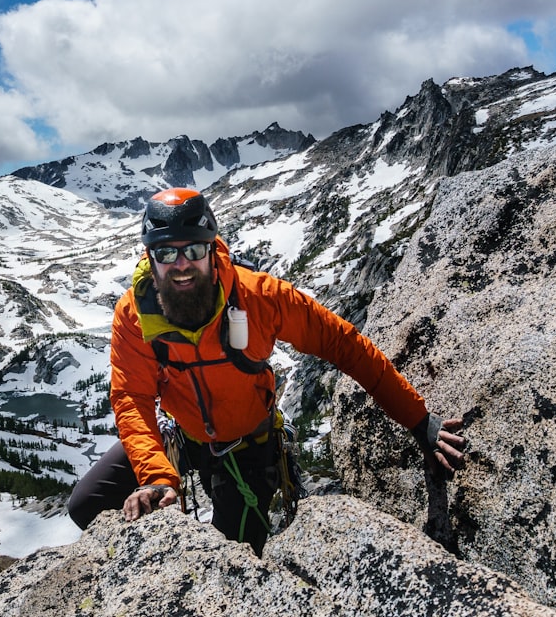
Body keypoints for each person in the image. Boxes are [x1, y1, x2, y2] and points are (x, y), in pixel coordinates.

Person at [67, 187, 465, 555]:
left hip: (249, 446)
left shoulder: (260, 297)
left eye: (193, 250)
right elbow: (132, 398)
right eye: (166, 253)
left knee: (233, 557)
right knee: (87, 505)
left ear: (212, 248)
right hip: (184, 436)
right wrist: (156, 476)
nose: (182, 264)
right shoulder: (134, 314)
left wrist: (419, 420)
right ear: (150, 257)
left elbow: (344, 346)